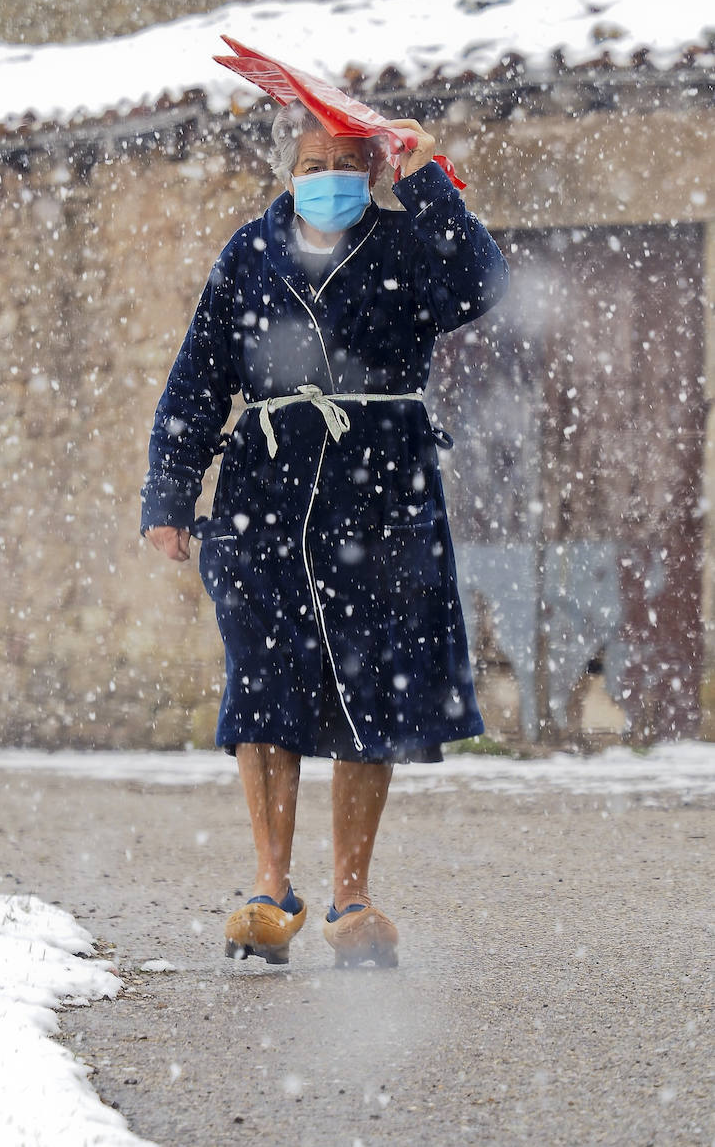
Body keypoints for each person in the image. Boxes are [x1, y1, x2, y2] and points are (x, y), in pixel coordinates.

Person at [141, 102, 508, 967]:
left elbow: (480, 288)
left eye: (347, 163)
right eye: (312, 163)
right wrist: (169, 492)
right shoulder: (248, 253)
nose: (328, 179)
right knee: (262, 685)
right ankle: (271, 893)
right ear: (288, 171)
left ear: (375, 170)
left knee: (365, 692)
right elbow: (197, 379)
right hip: (260, 500)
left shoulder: (408, 244)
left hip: (382, 497)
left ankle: (353, 896)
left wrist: (428, 180)